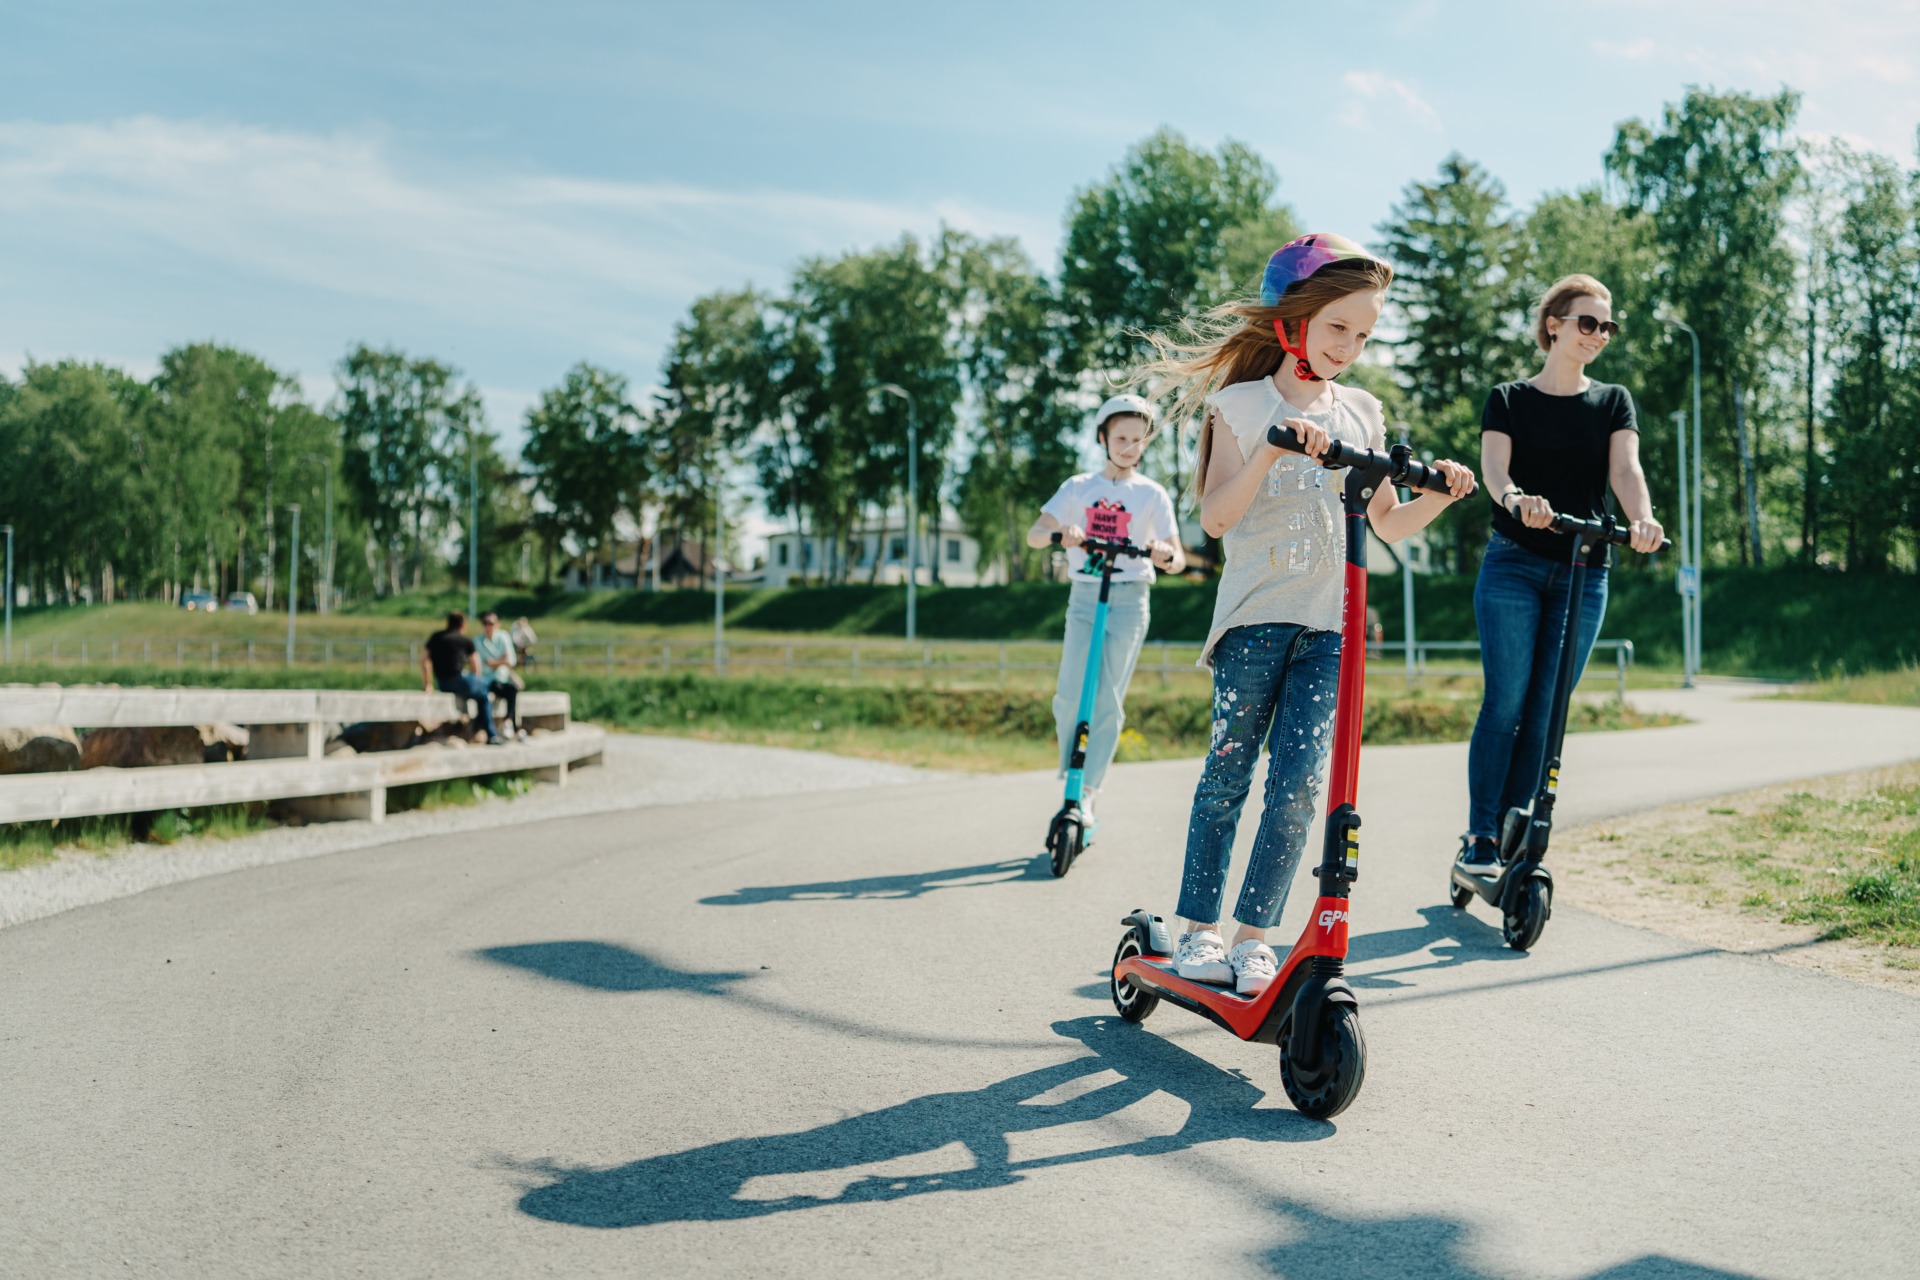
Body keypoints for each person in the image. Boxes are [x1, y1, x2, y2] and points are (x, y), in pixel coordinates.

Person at [1138, 233, 1475, 995]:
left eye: (1363, 333)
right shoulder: (1241, 405)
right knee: (1226, 778)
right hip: (1255, 621)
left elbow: (1385, 524)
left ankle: (1255, 936)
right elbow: (1217, 519)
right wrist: (1274, 452)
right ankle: (1199, 930)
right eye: (1339, 328)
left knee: (1297, 788)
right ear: (1293, 321)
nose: (1351, 346)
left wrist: (1437, 495)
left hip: (1332, 628)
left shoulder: (1361, 412)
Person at [1457, 274, 1663, 874]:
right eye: (1587, 322)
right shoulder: (1510, 398)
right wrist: (1516, 497)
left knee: (1548, 711)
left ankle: (1516, 828)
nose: (1599, 334)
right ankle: (1480, 837)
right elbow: (1495, 470)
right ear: (1554, 324)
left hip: (1584, 571)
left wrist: (1643, 520)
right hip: (1514, 565)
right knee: (1505, 704)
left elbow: (1625, 470)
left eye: (1607, 326)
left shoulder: (1613, 400)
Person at [1025, 395, 1187, 832]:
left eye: (1138, 440)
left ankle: (1089, 794)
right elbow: (1034, 535)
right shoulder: (1079, 487)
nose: (1129, 447)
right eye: (1121, 438)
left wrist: (1164, 553)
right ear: (1103, 438)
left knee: (1108, 700)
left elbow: (1178, 559)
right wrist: (1063, 532)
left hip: (1130, 598)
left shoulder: (1152, 494)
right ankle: (1071, 780)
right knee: (1069, 695)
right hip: (1085, 595)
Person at [421, 610, 503, 744]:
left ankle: (479, 730)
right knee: (484, 691)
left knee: (481, 690)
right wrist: (476, 681)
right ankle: (490, 733)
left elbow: (425, 661)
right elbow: (476, 666)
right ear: (463, 626)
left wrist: (428, 685)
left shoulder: (436, 637)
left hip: (443, 683)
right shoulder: (465, 641)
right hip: (460, 681)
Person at [475, 610, 524, 740]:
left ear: (497, 624)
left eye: (491, 623)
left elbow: (510, 661)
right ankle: (513, 726)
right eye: (485, 623)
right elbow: (484, 665)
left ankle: (510, 723)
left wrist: (495, 663)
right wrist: (501, 661)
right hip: (488, 680)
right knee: (510, 691)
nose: (488, 626)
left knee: (512, 690)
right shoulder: (478, 641)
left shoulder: (503, 636)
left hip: (502, 677)